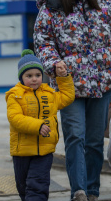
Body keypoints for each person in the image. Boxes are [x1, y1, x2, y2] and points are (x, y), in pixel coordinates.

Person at [33, 0, 111, 201]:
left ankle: (92, 191)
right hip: (70, 86)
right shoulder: (52, 5)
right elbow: (42, 41)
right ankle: (78, 190)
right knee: (75, 137)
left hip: (102, 82)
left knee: (93, 141)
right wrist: (53, 62)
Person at [6, 49, 75, 201]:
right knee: (23, 187)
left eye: (37, 75)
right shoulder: (15, 95)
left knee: (38, 185)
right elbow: (15, 118)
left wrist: (63, 77)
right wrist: (37, 125)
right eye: (29, 76)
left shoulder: (49, 93)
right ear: (21, 77)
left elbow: (67, 97)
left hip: (44, 150)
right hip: (22, 152)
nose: (34, 79)